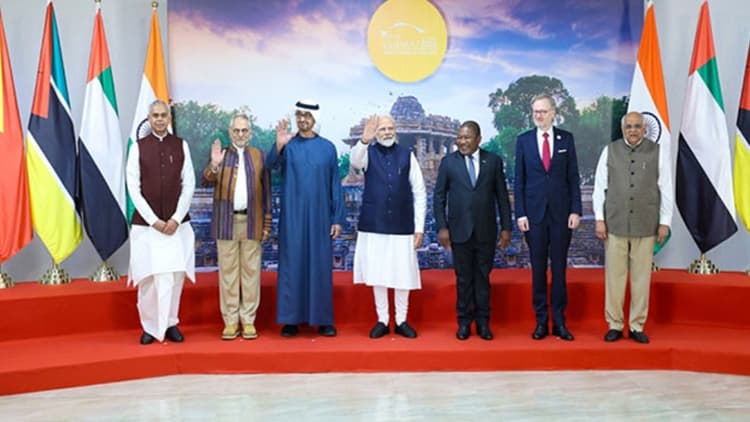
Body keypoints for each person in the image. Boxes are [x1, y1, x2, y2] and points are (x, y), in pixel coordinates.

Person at [266, 100, 345, 337]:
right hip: (293, 216)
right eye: (299, 115)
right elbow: (270, 166)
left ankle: (323, 320)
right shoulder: (288, 146)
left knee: (320, 266)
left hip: (321, 217)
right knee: (292, 265)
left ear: (315, 119)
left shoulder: (328, 148)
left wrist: (337, 218)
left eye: (307, 116)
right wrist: (278, 145)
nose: (302, 119)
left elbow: (335, 185)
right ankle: (291, 320)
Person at [593, 111, 672, 344]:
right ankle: (615, 324)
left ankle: (637, 325)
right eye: (629, 126)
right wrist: (599, 219)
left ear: (644, 129)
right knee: (614, 278)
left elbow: (666, 188)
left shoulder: (658, 152)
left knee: (641, 279)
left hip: (646, 224)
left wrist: (665, 222)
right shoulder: (609, 151)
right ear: (622, 129)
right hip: (615, 223)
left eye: (637, 126)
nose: (633, 130)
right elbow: (599, 187)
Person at [434, 120, 512, 341]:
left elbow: (502, 197)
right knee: (463, 279)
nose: (462, 142)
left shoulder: (493, 161)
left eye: (467, 137)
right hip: (459, 231)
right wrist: (442, 227)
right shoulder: (448, 162)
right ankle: (464, 323)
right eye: (459, 137)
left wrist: (506, 228)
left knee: (482, 278)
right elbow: (439, 197)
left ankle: (484, 323)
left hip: (486, 231)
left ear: (478, 139)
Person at [126, 100, 195, 345]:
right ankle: (149, 326)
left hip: (177, 227)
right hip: (147, 228)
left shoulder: (181, 145)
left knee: (174, 277)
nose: (159, 119)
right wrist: (154, 220)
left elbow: (189, 184)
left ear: (169, 118)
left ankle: (170, 323)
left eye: (163, 115)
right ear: (149, 118)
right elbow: (133, 188)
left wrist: (176, 218)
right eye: (155, 115)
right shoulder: (138, 147)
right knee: (149, 279)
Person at [351, 115, 426, 339]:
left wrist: (419, 227)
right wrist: (364, 140)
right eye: (382, 129)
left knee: (402, 272)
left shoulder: (407, 155)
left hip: (403, 224)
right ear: (376, 133)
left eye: (390, 128)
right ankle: (382, 320)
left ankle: (401, 320)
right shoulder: (367, 153)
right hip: (375, 224)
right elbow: (355, 162)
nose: (387, 132)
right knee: (378, 272)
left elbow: (419, 191)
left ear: (396, 130)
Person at [514, 94, 581, 341]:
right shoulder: (523, 141)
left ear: (553, 113)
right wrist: (520, 213)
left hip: (562, 216)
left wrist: (575, 210)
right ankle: (541, 321)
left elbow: (573, 177)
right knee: (538, 270)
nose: (538, 115)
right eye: (535, 111)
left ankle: (560, 322)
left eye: (543, 111)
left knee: (560, 270)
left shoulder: (566, 139)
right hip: (534, 216)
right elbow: (519, 180)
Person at [202, 113, 271, 340]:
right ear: (230, 132)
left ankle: (248, 320)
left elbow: (267, 193)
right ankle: (230, 322)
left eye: (244, 130)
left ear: (250, 133)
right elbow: (206, 180)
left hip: (252, 222)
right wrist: (214, 165)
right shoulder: (221, 155)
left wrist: (266, 224)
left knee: (251, 274)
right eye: (236, 130)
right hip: (226, 222)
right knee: (228, 274)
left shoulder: (259, 156)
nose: (240, 134)